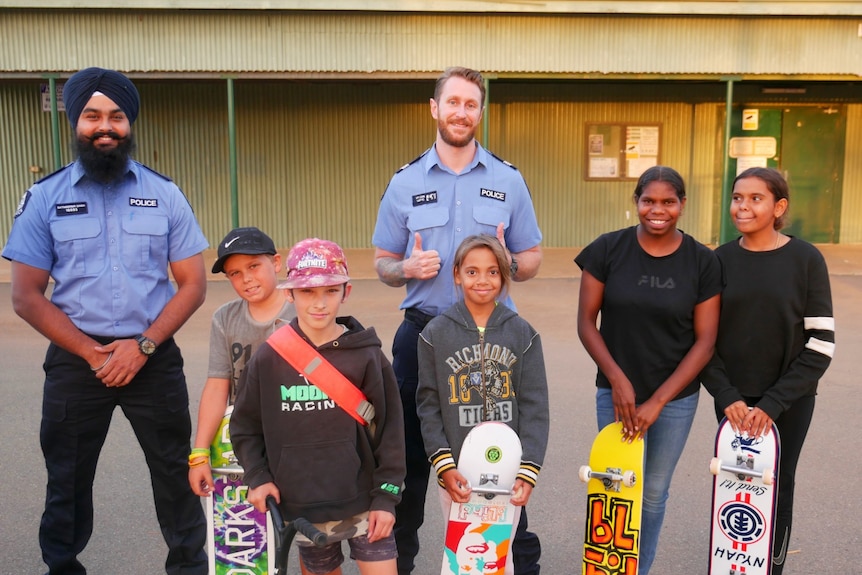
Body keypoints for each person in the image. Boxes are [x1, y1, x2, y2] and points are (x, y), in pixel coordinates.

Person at [2, 67, 209, 575]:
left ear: (129, 123)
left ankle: (188, 566)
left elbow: (193, 284)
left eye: (116, 115)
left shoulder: (165, 194)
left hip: (152, 355)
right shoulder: (45, 198)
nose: (105, 126)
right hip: (77, 360)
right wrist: (93, 352)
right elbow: (27, 296)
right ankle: (62, 566)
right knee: (67, 479)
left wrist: (142, 346)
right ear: (75, 122)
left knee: (173, 473)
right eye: (92, 115)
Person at [371, 65, 543, 575]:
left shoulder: (507, 180)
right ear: (435, 108)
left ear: (480, 112)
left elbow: (532, 258)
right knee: (411, 462)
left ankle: (514, 561)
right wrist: (404, 268)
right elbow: (380, 262)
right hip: (421, 333)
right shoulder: (405, 183)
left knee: (495, 456)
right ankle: (397, 562)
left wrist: (506, 262)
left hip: (491, 340)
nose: (461, 113)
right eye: (453, 103)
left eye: (471, 104)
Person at [574, 165, 722, 575]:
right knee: (615, 486)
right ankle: (610, 567)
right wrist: (619, 381)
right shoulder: (607, 250)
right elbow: (587, 323)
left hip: (674, 400)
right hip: (615, 395)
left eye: (668, 202)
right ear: (636, 202)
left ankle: (637, 569)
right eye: (649, 201)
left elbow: (705, 340)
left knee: (653, 492)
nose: (658, 210)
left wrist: (658, 400)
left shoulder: (702, 261)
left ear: (682, 205)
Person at [230, 238, 406, 575]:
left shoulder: (367, 355)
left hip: (367, 504)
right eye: (308, 292)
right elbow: (244, 427)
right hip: (302, 507)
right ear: (289, 294)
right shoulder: (269, 357)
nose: (320, 303)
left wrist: (386, 497)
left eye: (330, 291)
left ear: (346, 292)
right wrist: (258, 476)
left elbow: (392, 431)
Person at [700, 167, 834, 575]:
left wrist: (774, 403)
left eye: (755, 198)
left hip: (787, 403)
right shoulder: (717, 260)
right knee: (734, 484)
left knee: (776, 486)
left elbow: (820, 344)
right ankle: (731, 566)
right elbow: (703, 342)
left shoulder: (806, 259)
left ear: (779, 207)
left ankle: (769, 567)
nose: (743, 206)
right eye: (738, 197)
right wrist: (726, 396)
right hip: (734, 404)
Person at [416, 235, 550, 574]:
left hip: (509, 471)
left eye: (493, 272)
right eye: (472, 271)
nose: (483, 280)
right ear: (457, 275)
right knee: (466, 555)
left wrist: (528, 470)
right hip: (459, 471)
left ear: (504, 276)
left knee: (500, 556)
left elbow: (536, 406)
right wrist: (444, 465)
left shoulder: (522, 333)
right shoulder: (435, 334)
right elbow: (428, 404)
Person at [188, 226, 294, 496]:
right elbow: (217, 385)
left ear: (277, 263)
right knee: (249, 531)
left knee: (307, 530)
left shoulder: (302, 309)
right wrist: (199, 453)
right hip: (245, 442)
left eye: (254, 266)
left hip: (298, 438)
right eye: (235, 273)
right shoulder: (225, 318)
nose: (247, 278)